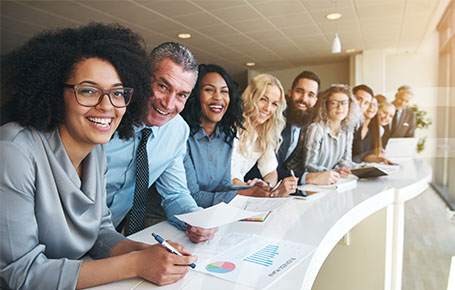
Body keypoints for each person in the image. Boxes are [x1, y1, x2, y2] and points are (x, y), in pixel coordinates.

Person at [0, 23, 197, 290]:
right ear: (56, 92)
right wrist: (135, 264)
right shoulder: (13, 150)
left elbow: (99, 231)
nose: (106, 106)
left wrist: (145, 252)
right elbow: (21, 274)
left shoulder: (95, 151)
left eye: (117, 93)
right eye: (88, 90)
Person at [105, 42, 217, 242]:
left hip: (108, 237)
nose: (168, 104)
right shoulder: (106, 115)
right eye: (163, 86)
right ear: (143, 78)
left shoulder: (177, 130)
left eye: (181, 95)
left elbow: (175, 193)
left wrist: (195, 218)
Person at [181, 64, 272, 208]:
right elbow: (192, 196)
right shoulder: (183, 136)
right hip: (167, 220)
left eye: (224, 91)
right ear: (195, 94)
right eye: (209, 90)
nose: (218, 97)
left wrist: (254, 189)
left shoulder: (226, 137)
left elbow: (222, 185)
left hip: (208, 215)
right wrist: (243, 194)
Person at [231, 73, 297, 196]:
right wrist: (252, 188)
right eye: (263, 99)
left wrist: (268, 185)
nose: (268, 108)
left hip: (241, 195)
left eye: (274, 104)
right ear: (251, 97)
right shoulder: (231, 128)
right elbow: (231, 179)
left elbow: (271, 172)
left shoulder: (263, 132)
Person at [287, 85, 362, 175]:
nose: (340, 107)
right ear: (326, 105)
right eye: (334, 103)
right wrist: (333, 172)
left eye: (344, 103)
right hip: (301, 180)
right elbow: (308, 165)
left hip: (327, 180)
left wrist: (362, 167)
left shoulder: (347, 130)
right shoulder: (316, 129)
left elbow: (345, 161)